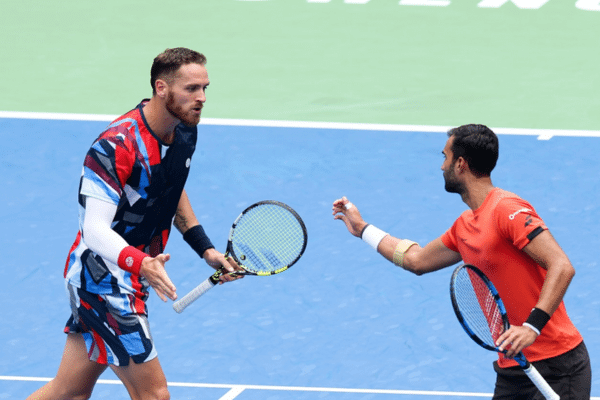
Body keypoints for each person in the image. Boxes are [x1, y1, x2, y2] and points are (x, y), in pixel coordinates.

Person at [27, 47, 242, 400]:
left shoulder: (184, 130)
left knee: (68, 391)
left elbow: (171, 189)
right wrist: (142, 264)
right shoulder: (115, 146)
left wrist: (206, 249)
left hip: (127, 275)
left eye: (205, 88)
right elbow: (94, 229)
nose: (201, 98)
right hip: (105, 280)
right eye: (191, 89)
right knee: (154, 395)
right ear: (161, 88)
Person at [332, 124, 591, 399]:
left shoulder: (508, 210)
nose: (441, 166)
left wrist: (531, 327)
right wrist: (362, 229)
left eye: (444, 157)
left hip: (558, 364)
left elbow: (562, 265)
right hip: (514, 366)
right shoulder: (464, 226)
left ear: (460, 164)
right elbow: (416, 260)